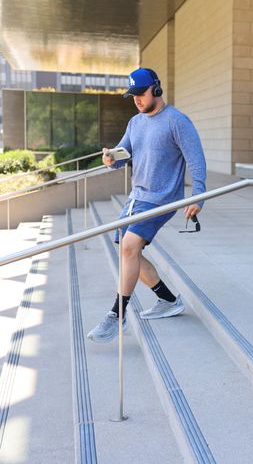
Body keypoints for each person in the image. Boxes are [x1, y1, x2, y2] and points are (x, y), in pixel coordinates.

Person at [87, 67, 207, 343]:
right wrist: (111, 160)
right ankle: (167, 300)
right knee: (128, 251)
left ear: (156, 89)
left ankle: (117, 315)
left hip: (162, 198)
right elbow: (123, 153)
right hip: (136, 199)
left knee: (129, 246)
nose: (137, 100)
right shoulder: (135, 123)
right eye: (133, 96)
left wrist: (198, 195)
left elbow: (196, 159)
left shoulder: (177, 121)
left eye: (141, 94)